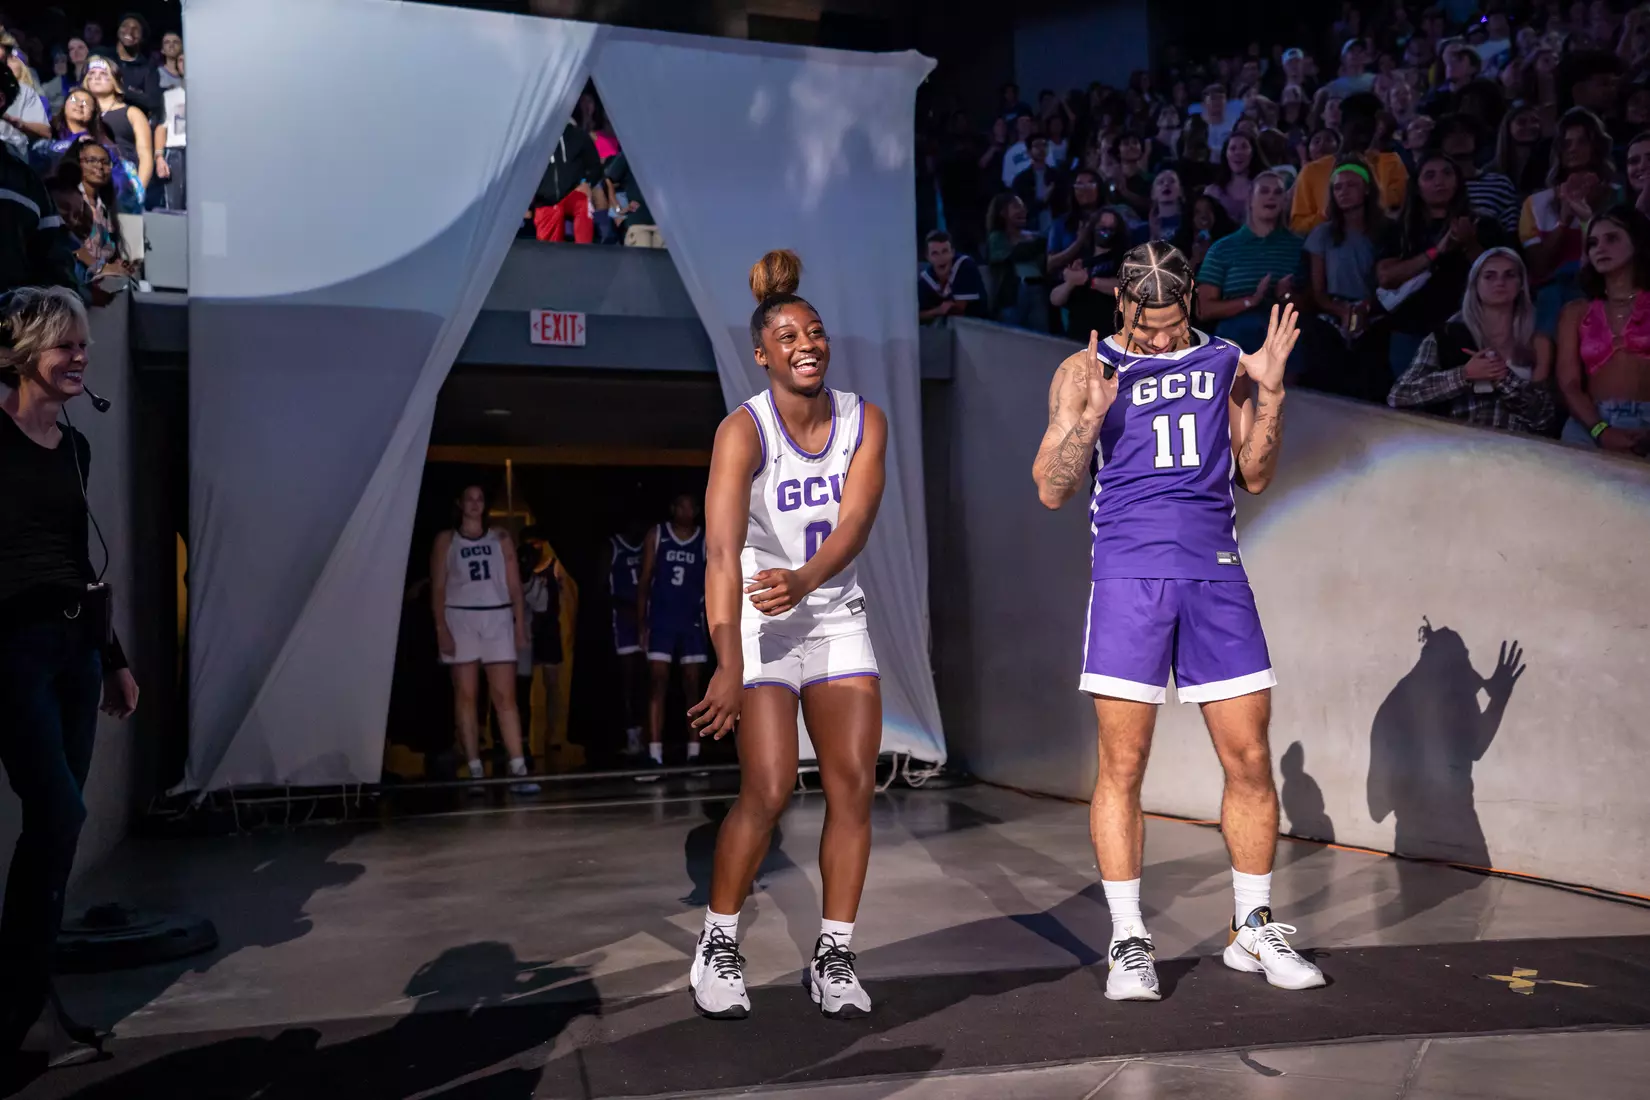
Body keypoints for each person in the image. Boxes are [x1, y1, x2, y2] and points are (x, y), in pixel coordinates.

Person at [1030, 242, 1322, 1002]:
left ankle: (1251, 928)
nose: (1159, 338)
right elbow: (1050, 489)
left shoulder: (1225, 359)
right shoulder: (1085, 370)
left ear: (1189, 302)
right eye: (1146, 325)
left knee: (1249, 759)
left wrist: (1274, 394)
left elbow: (1255, 474)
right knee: (1122, 768)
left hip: (1215, 575)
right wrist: (1085, 424)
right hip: (1128, 578)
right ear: (1121, 305)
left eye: (1171, 323)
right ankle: (1129, 940)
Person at [686, 249, 887, 1020]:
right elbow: (718, 552)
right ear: (763, 352)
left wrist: (807, 580)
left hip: (833, 612)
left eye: (817, 331)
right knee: (768, 788)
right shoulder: (742, 431)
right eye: (790, 335)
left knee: (852, 789)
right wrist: (728, 660)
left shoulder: (866, 419)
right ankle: (719, 940)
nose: (807, 343)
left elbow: (858, 520)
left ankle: (835, 955)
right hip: (762, 622)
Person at [0, 287, 139, 1067]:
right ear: (25, 354)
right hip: (11, 648)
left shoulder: (77, 448)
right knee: (57, 816)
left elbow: (80, 563)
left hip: (75, 650)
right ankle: (17, 1008)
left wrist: (113, 661)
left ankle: (28, 1010)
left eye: (85, 344)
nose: (81, 357)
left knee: (55, 834)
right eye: (66, 345)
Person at [429, 486, 538, 794]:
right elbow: (438, 588)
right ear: (460, 503)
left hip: (497, 617)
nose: (475, 504)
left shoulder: (500, 538)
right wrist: (441, 629)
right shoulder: (446, 541)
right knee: (466, 695)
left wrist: (518, 625)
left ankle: (518, 766)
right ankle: (475, 769)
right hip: (461, 617)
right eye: (470, 499)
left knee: (505, 696)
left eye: (480, 498)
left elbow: (515, 586)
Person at [1389, 247, 1559, 436]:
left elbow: (1544, 419)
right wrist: (1464, 375)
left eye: (1509, 275)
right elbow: (1399, 395)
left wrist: (1502, 378)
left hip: (1516, 450)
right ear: (1475, 285)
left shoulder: (1536, 342)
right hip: (1456, 445)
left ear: (1521, 284)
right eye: (1489, 276)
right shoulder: (1447, 336)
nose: (1500, 282)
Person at [1376, 152, 1500, 376]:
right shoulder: (1399, 229)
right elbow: (1386, 277)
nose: (1439, 181)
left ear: (1458, 181)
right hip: (1410, 330)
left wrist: (1469, 243)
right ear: (1418, 185)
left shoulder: (1484, 223)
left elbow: (1501, 277)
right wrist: (1436, 251)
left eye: (1446, 174)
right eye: (1430, 176)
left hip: (1467, 330)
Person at [1555, 205, 1650, 451]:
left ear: (1638, 243)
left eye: (1612, 238)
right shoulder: (1575, 312)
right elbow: (1569, 385)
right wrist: (1600, 430)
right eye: (1593, 243)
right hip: (1591, 423)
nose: (1600, 248)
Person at [1196, 172, 1309, 357]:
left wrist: (1286, 295)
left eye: (1278, 192)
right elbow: (1203, 309)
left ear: (1284, 201)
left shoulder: (1298, 246)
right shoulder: (1222, 248)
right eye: (1264, 191)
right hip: (1236, 331)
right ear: (1250, 199)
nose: (1271, 196)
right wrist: (1250, 301)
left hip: (1283, 333)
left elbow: (1309, 303)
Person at [638, 493, 709, 769]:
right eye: (680, 505)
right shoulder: (657, 535)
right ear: (672, 508)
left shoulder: (705, 538)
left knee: (694, 687)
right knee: (657, 684)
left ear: (697, 510)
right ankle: (654, 752)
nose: (685, 510)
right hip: (661, 620)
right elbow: (645, 580)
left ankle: (694, 752)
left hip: (692, 620)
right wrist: (642, 623)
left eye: (690, 505)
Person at [1051, 207, 1129, 341]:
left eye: (1111, 227)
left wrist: (1090, 281)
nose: (1106, 231)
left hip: (1109, 339)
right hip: (1077, 336)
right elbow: (1055, 299)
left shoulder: (1125, 259)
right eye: (1102, 226)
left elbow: (1126, 288)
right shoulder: (1079, 261)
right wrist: (1071, 282)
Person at [83, 57, 150, 202]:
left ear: (115, 80)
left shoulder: (132, 113)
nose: (96, 78)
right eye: (92, 74)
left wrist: (139, 189)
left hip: (123, 184)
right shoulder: (81, 113)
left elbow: (145, 155)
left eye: (103, 74)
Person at [608, 524, 647, 759]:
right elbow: (602, 587)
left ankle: (646, 736)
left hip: (648, 619)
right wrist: (625, 607)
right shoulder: (613, 546)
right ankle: (632, 735)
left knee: (647, 682)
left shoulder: (649, 542)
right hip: (623, 623)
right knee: (629, 683)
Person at [532, 122, 600, 244]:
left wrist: (586, 183)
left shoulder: (577, 135)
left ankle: (584, 250)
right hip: (545, 201)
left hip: (572, 193)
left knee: (583, 200)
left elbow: (595, 166)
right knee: (547, 253)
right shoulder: (533, 138)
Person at [917, 230, 985, 324]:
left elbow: (958, 310)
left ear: (952, 252)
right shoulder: (926, 278)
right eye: (935, 253)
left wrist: (931, 313)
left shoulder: (964, 266)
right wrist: (938, 310)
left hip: (978, 326)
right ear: (927, 257)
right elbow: (916, 315)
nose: (941, 258)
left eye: (945, 251)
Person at [1205, 132, 1264, 224]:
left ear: (1253, 152)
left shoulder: (1266, 189)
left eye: (1244, 147)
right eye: (1232, 148)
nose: (1238, 152)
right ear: (1226, 154)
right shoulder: (1212, 192)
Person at [153, 55, 185, 212]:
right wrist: (159, 157)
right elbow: (161, 126)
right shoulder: (169, 95)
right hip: (175, 151)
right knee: (174, 207)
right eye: (180, 60)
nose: (185, 63)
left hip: (203, 152)